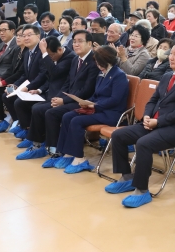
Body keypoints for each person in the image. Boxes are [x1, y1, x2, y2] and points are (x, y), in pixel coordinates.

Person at [104, 39, 175, 208]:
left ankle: (142, 190)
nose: (171, 57)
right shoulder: (166, 76)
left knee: (144, 143)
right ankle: (127, 177)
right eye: (170, 54)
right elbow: (153, 100)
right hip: (154, 123)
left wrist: (158, 122)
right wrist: (147, 116)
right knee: (118, 134)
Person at [16, 30, 100, 160]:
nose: (76, 44)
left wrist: (64, 100)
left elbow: (87, 90)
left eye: (80, 41)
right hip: (69, 97)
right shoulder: (77, 59)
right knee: (38, 108)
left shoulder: (93, 61)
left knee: (50, 112)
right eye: (75, 41)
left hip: (83, 101)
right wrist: (59, 97)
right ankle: (38, 145)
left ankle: (55, 150)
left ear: (89, 43)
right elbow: (67, 83)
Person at [45, 46, 129, 174]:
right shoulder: (102, 74)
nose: (98, 66)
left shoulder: (119, 75)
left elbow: (115, 100)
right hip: (99, 109)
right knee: (67, 116)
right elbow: (96, 94)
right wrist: (85, 102)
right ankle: (67, 153)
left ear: (109, 61)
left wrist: (94, 105)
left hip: (112, 113)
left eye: (101, 63)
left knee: (77, 121)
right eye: (97, 63)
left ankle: (80, 159)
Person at [9, 35, 75, 140]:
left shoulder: (70, 57)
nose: (49, 58)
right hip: (49, 91)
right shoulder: (53, 56)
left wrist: (44, 53)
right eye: (47, 55)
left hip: (60, 94)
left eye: (50, 55)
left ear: (59, 49)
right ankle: (27, 129)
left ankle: (38, 138)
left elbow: (54, 72)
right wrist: (39, 90)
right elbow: (48, 78)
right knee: (20, 102)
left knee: (38, 108)